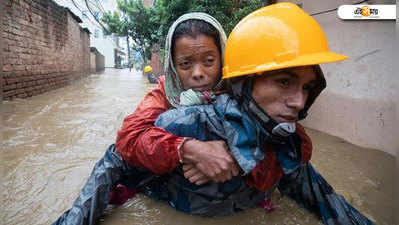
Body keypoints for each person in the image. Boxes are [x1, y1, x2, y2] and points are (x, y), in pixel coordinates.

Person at [150, 3, 374, 224]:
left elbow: (328, 203)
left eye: (307, 87)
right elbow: (122, 164)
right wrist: (188, 151)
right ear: (243, 84)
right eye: (284, 81)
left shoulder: (284, 144)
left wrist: (244, 157)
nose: (299, 102)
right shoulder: (182, 123)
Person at [52, 12, 236, 225]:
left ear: (223, 58)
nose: (198, 73)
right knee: (116, 155)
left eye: (209, 61)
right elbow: (128, 138)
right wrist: (188, 149)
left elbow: (273, 135)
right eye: (185, 64)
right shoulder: (164, 92)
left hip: (227, 188)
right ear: (173, 67)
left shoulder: (241, 88)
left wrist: (235, 158)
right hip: (173, 183)